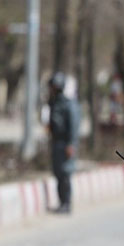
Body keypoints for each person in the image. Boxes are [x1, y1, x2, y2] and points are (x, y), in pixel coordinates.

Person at [47, 72, 80, 214]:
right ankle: (61, 202)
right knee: (58, 173)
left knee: (65, 174)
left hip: (65, 144)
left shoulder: (68, 104)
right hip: (56, 142)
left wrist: (71, 144)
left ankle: (66, 203)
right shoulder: (54, 103)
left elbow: (73, 126)